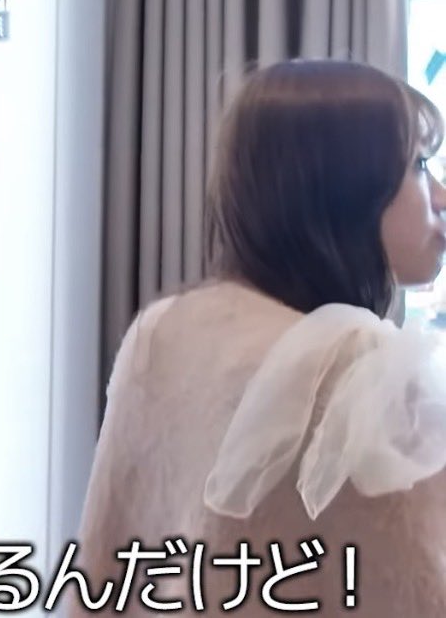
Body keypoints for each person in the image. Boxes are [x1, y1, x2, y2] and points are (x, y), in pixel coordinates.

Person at [75, 59, 446, 615]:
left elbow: (108, 554)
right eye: (418, 166)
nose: (440, 196)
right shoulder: (367, 376)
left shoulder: (164, 330)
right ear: (345, 191)